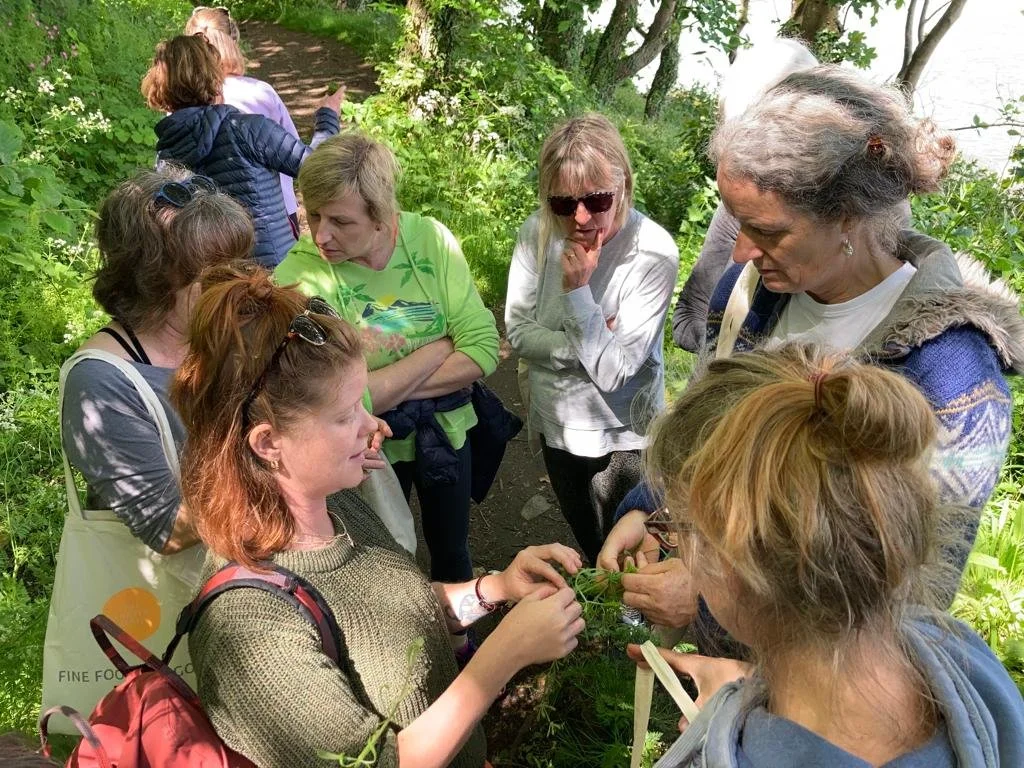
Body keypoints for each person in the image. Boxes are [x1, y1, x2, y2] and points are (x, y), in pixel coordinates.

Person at [600, 65, 1024, 627]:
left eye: (769, 231)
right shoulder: (746, 296)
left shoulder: (954, 374)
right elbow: (706, 434)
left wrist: (709, 598)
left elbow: (913, 593)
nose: (744, 250)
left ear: (849, 213)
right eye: (737, 222)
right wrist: (652, 508)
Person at [172, 266, 585, 768]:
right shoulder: (249, 628)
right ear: (268, 443)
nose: (376, 425)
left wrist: (493, 590)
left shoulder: (335, 503)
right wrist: (505, 655)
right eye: (347, 415)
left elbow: (388, 615)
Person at [629, 344, 1024, 767]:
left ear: (731, 559)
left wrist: (728, 719)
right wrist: (751, 689)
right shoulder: (964, 658)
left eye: (677, 528)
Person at [274, 132, 501, 586]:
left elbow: (483, 349)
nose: (321, 234)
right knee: (380, 559)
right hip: (363, 450)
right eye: (312, 214)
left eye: (341, 221)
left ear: (382, 219)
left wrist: (379, 386)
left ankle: (461, 644)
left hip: (445, 432)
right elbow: (340, 399)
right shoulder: (300, 276)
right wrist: (438, 348)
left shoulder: (430, 241)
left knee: (452, 548)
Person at [504, 113, 679, 564]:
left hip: (623, 436)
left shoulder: (653, 253)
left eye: (597, 199)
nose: (580, 218)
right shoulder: (536, 233)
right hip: (558, 423)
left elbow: (616, 372)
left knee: (632, 554)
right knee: (589, 539)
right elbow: (519, 332)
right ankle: (603, 623)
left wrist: (578, 291)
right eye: (562, 204)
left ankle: (631, 628)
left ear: (624, 184)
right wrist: (582, 345)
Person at [61, 167, 253, 555]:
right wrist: (298, 465)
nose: (241, 285)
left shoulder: (220, 332)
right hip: (173, 601)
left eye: (241, 263)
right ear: (152, 279)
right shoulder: (100, 384)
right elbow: (168, 530)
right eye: (217, 274)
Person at [141, 34, 344, 267]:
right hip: (272, 274)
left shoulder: (166, 154)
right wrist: (328, 117)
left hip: (215, 285)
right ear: (214, 79)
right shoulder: (248, 129)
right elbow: (319, 168)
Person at [671, 38, 817, 353]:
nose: (741, 252)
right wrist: (719, 352)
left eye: (766, 230)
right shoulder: (740, 207)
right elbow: (686, 320)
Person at [184, 6, 303, 236]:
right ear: (233, 41)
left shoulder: (181, 103)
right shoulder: (260, 93)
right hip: (273, 217)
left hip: (209, 226)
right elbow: (295, 154)